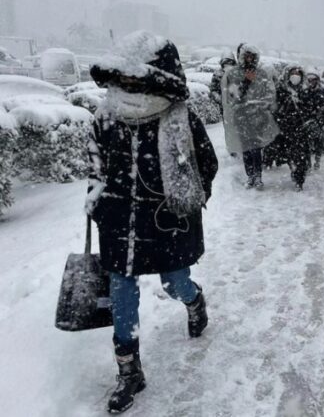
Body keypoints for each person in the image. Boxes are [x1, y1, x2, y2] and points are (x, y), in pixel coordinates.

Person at [87, 31, 219, 414]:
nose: (126, 85)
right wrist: (97, 201)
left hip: (165, 222)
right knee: (122, 292)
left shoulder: (179, 117)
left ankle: (194, 301)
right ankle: (129, 371)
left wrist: (186, 202)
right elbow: (95, 168)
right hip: (118, 222)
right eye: (122, 78)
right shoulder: (106, 116)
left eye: (134, 78)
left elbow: (205, 166)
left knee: (174, 282)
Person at [222, 43, 279, 189]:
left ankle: (258, 177)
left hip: (258, 117)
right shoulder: (233, 74)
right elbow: (233, 96)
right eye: (246, 56)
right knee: (246, 148)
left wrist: (261, 105)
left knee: (256, 148)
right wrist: (246, 82)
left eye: (252, 56)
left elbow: (270, 94)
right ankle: (250, 176)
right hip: (241, 117)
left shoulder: (262, 73)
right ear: (241, 57)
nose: (249, 59)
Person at [274, 64, 311, 191]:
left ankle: (299, 179)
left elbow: (310, 109)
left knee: (301, 155)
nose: (295, 76)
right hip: (285, 128)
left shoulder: (305, 91)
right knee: (288, 155)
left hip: (301, 129)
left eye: (298, 74)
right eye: (293, 74)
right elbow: (276, 108)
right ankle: (293, 169)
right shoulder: (281, 90)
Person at [303, 69, 324, 168]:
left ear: (317, 80)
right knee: (304, 142)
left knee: (320, 140)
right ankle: (307, 162)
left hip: (320, 119)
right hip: (307, 119)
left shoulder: (323, 91)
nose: (311, 81)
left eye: (313, 79)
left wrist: (323, 113)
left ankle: (318, 159)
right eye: (309, 79)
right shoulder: (304, 91)